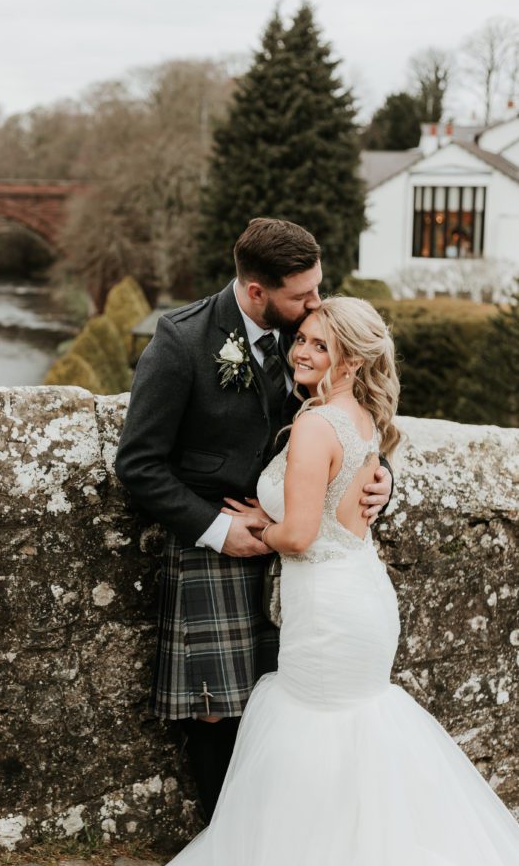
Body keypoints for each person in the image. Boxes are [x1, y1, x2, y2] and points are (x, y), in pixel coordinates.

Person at [136, 297, 519, 866]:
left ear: (351, 358)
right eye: (302, 339)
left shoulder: (313, 426)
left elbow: (301, 535)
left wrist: (263, 525)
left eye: (319, 344)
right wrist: (283, 504)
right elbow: (342, 499)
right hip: (359, 596)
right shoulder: (362, 417)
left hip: (330, 608)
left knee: (317, 734)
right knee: (353, 736)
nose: (301, 352)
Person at [115, 219, 393, 821]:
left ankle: (286, 836)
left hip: (299, 552)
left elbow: (357, 413)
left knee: (287, 701)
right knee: (219, 706)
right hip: (212, 545)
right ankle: (226, 841)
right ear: (256, 291)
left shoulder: (312, 334)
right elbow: (138, 463)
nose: (315, 303)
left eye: (317, 289)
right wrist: (219, 531)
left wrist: (382, 479)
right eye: (302, 295)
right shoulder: (181, 341)